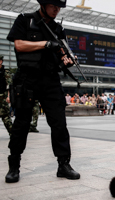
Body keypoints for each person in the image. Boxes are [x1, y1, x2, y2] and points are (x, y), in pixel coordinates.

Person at [5, 0, 80, 183]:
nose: (57, 9)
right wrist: (46, 44)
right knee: (21, 124)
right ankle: (14, 165)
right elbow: (19, 45)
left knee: (59, 123)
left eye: (59, 7)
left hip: (50, 80)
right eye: (54, 5)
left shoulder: (58, 29)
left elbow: (60, 57)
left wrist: (67, 61)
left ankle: (63, 164)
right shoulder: (25, 20)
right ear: (43, 4)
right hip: (27, 79)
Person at [0, 54, 13, 136]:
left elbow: (9, 86)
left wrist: (9, 96)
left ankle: (12, 133)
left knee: (5, 117)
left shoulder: (5, 72)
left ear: (1, 61)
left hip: (3, 97)